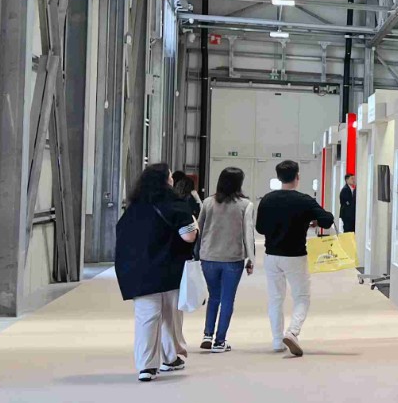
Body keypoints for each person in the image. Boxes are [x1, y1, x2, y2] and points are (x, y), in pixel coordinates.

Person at [114, 162, 197, 382]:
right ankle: (170, 358)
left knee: (146, 319)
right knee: (170, 316)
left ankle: (146, 367)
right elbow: (188, 235)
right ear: (166, 181)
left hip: (139, 272)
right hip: (169, 270)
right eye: (170, 176)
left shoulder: (133, 209)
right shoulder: (174, 204)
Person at [255, 159, 334, 357]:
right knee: (302, 297)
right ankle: (292, 331)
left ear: (278, 177)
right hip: (295, 255)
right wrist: (311, 220)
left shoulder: (267, 199)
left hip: (271, 255)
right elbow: (327, 219)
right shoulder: (304, 200)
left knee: (275, 298)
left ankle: (276, 341)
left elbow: (260, 228)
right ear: (297, 177)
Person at [196, 167, 257, 352]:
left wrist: (196, 253)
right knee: (227, 299)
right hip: (232, 258)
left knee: (214, 296)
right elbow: (248, 234)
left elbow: (199, 229)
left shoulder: (207, 202)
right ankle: (220, 341)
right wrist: (251, 259)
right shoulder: (245, 205)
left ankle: (207, 334)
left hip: (208, 257)